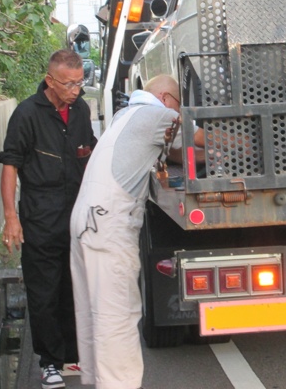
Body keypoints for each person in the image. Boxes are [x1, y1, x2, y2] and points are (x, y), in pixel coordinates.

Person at [69, 74, 203, 389]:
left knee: (94, 313)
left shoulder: (124, 116)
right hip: (109, 223)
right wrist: (247, 143)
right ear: (168, 99)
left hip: (84, 219)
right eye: (178, 107)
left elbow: (172, 152)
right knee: (119, 315)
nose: (177, 114)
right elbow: (200, 138)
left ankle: (99, 381)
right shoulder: (160, 114)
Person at [0, 49, 97, 389]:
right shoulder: (27, 114)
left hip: (77, 218)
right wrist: (11, 217)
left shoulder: (81, 110)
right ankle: (49, 362)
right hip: (40, 217)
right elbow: (10, 164)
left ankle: (72, 355)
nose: (75, 90)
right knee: (44, 291)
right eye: (69, 84)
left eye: (79, 82)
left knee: (74, 288)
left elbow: (91, 153)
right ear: (50, 81)